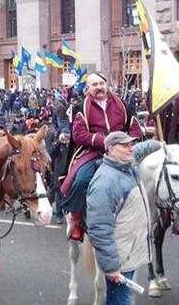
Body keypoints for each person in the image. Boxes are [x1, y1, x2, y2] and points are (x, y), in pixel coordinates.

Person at [87, 132, 161, 305]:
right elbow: (99, 228)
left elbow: (140, 150)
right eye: (125, 146)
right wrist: (111, 267)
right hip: (120, 257)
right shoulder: (105, 181)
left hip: (127, 252)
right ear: (110, 149)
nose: (130, 148)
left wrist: (159, 144)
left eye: (131, 145)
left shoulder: (125, 166)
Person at [59, 72, 142, 241]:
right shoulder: (81, 108)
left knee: (144, 177)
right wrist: (104, 142)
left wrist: (123, 143)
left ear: (107, 85)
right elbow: (79, 135)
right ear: (88, 88)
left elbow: (135, 129)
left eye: (101, 83)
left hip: (121, 151)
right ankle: (76, 217)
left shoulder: (123, 105)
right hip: (93, 151)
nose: (99, 87)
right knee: (81, 180)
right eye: (94, 84)